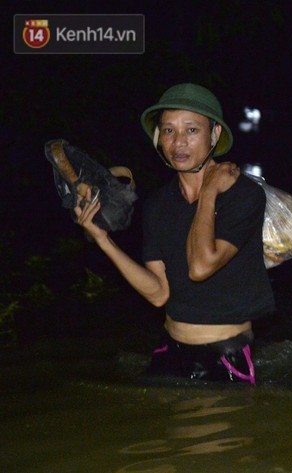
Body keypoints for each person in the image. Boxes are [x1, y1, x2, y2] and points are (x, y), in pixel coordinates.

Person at [74, 83, 275, 384]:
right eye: (168, 131)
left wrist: (208, 193)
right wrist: (104, 240)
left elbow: (201, 266)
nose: (179, 142)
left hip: (225, 353)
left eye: (192, 130)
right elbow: (158, 294)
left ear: (215, 134)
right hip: (170, 348)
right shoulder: (157, 205)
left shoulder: (244, 195)